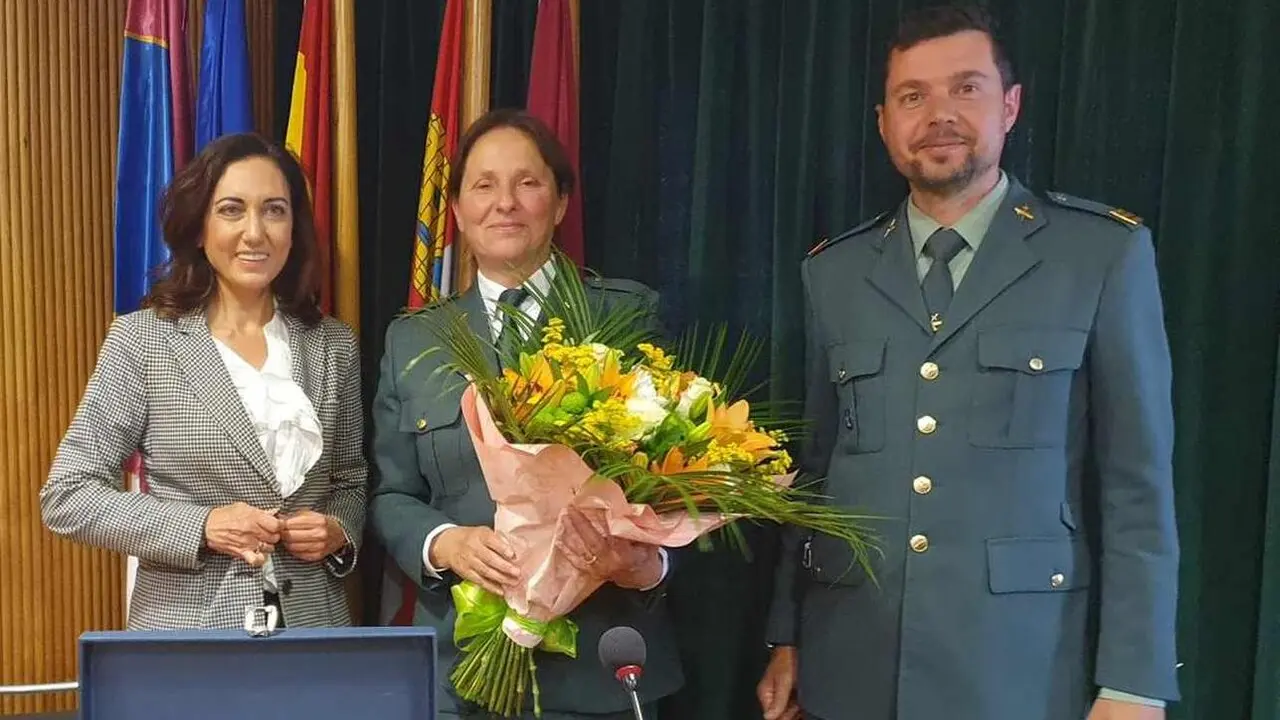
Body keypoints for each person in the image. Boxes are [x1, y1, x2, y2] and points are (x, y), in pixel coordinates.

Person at [756, 5, 1179, 720]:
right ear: (884, 120)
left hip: (1017, 665)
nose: (938, 114)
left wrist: (1133, 682)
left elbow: (1137, 490)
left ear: (1009, 106)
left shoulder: (1098, 256)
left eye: (966, 88)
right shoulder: (834, 272)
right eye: (912, 96)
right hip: (852, 663)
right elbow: (818, 473)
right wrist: (786, 634)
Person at [368, 108, 683, 719]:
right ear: (456, 210)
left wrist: (645, 563)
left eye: (528, 183)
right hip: (462, 672)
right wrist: (446, 542)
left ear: (561, 202)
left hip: (603, 662)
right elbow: (391, 494)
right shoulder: (414, 340)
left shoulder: (626, 318)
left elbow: (679, 482)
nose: (504, 203)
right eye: (483, 185)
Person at [40, 132, 367, 630]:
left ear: (294, 228)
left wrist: (339, 530)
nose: (255, 232)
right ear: (199, 228)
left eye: (274, 210)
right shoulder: (144, 340)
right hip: (188, 633)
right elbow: (67, 495)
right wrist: (203, 525)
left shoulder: (333, 344)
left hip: (314, 632)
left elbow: (349, 479)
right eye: (232, 210)